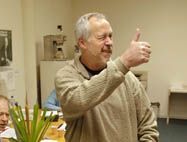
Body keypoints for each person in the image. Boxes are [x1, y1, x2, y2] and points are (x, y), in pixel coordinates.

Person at [55, 12, 159, 142]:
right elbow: (78, 100)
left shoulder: (128, 78)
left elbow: (148, 126)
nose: (109, 42)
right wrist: (124, 62)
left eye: (110, 36)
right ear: (82, 43)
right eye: (102, 37)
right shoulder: (66, 76)